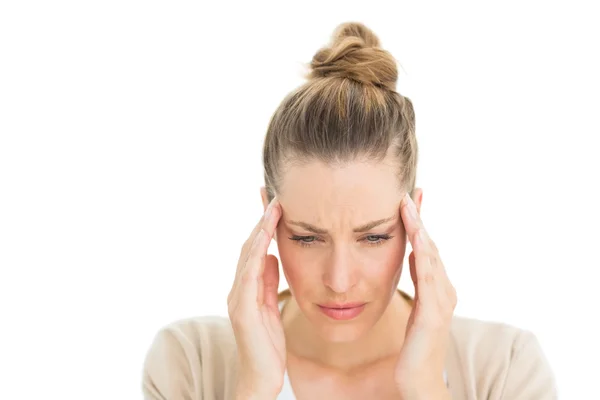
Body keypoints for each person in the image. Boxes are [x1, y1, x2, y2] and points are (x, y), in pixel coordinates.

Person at [142, 22, 557, 399]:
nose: (339, 281)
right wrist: (255, 389)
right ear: (267, 218)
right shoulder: (190, 363)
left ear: (415, 218)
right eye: (306, 237)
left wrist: (426, 386)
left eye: (374, 236)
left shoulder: (505, 369)